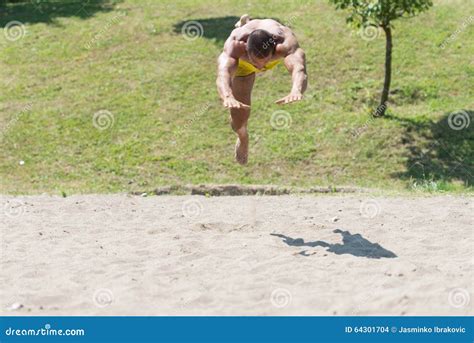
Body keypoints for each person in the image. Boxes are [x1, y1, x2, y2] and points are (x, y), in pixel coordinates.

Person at [216, 14, 307, 164]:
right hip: (244, 67)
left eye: (264, 62)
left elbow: (299, 68)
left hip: (265, 46)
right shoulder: (236, 45)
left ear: (274, 50)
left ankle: (246, 23)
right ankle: (243, 138)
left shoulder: (284, 43)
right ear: (246, 49)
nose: (260, 67)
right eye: (256, 62)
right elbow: (223, 73)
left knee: (295, 64)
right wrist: (227, 96)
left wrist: (296, 90)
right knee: (238, 121)